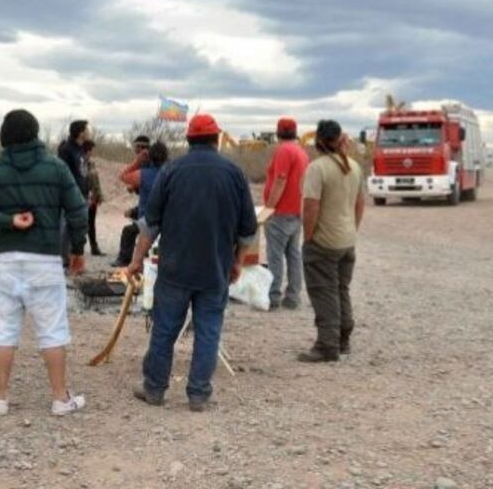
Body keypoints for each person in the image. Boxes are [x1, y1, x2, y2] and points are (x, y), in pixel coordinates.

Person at [0, 109, 88, 416]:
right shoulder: (56, 168)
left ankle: (0, 397)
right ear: (35, 134)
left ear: (4, 137)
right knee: (52, 330)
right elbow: (78, 211)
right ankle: (60, 398)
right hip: (44, 259)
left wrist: (5, 220)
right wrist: (77, 249)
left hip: (5, 260)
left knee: (5, 329)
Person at [128, 114, 257, 411]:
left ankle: (155, 390)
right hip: (215, 269)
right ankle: (198, 394)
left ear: (188, 140)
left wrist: (136, 260)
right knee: (208, 331)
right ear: (216, 139)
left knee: (164, 329)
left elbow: (150, 225)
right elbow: (248, 230)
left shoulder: (171, 171)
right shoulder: (234, 174)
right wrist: (236, 262)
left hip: (175, 269)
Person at [298, 120, 366, 362]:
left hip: (324, 242)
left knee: (323, 292)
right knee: (341, 289)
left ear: (318, 140)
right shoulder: (355, 167)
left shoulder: (317, 168)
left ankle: (327, 344)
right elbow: (360, 203)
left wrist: (308, 238)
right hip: (347, 240)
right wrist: (352, 229)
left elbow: (310, 206)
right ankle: (343, 338)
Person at [263, 117, 310, 310]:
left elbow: (280, 180)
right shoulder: (301, 152)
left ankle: (273, 297)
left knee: (275, 256)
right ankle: (293, 297)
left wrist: (269, 208)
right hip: (296, 210)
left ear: (278, 132)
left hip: (281, 212)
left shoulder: (283, 151)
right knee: (293, 255)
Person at [111, 135, 151, 268]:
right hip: (149, 207)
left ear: (142, 148)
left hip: (152, 212)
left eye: (137, 147)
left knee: (129, 231)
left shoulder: (145, 165)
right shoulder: (150, 166)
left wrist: (137, 161)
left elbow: (124, 176)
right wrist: (135, 187)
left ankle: (125, 260)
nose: (135, 150)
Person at [57, 120, 90, 269]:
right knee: (65, 226)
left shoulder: (81, 149)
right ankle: (62, 260)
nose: (88, 132)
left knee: (80, 228)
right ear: (80, 132)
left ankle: (74, 260)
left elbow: (82, 172)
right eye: (86, 129)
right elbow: (62, 172)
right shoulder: (67, 149)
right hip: (69, 194)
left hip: (81, 193)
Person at [83, 140, 106, 256]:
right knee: (83, 223)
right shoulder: (81, 164)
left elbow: (96, 182)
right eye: (90, 150)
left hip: (92, 198)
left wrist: (98, 196)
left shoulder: (90, 164)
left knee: (91, 223)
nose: (91, 153)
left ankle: (94, 247)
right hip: (84, 196)